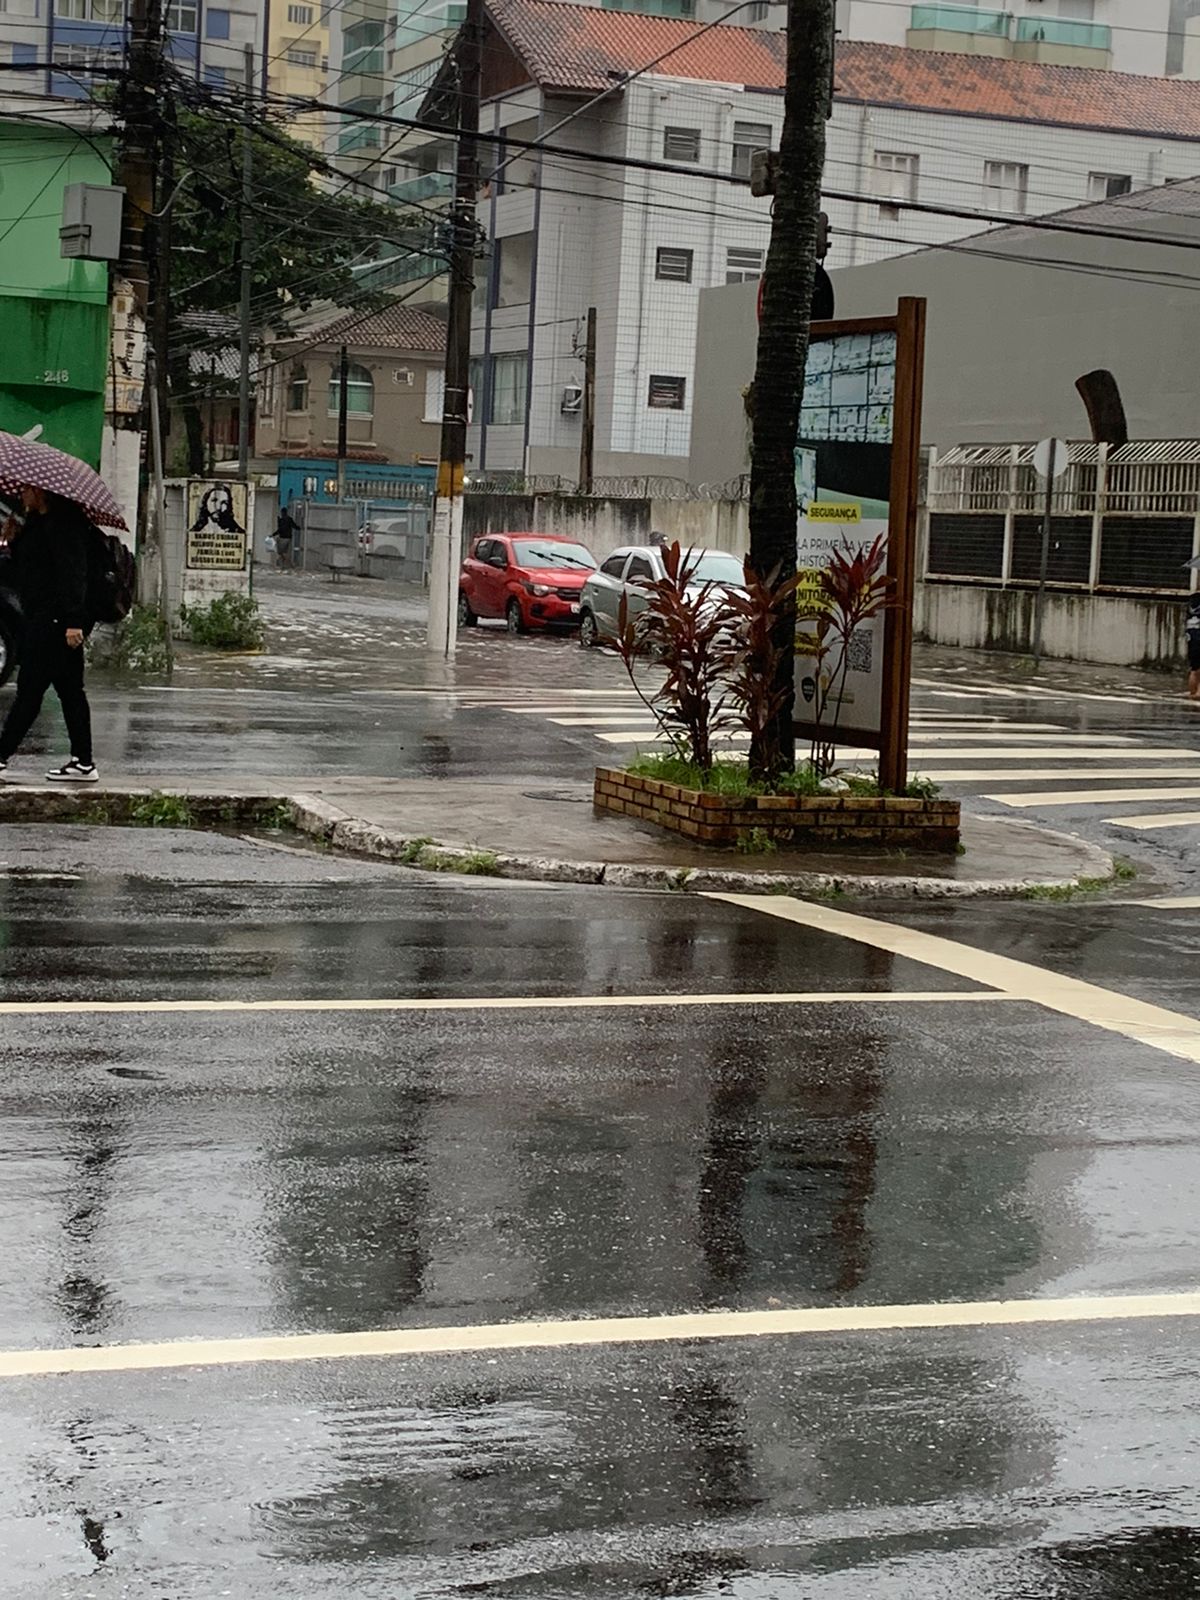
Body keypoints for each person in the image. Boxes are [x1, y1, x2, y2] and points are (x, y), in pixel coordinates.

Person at [0, 486, 98, 783]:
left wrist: (73, 622)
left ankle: (1, 755)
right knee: (70, 692)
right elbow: (28, 573)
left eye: (27, 490)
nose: (22, 495)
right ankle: (83, 762)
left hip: (55, 622)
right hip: (43, 618)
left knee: (30, 690)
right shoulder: (38, 525)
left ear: (42, 493)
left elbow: (73, 575)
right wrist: (13, 541)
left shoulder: (64, 525)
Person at [274, 504, 297, 570]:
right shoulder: (289, 519)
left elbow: (279, 530)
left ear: (282, 513)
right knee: (283, 552)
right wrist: (299, 528)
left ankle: (290, 564)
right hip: (288, 538)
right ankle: (283, 565)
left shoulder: (281, 520)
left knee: (281, 552)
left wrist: (273, 534)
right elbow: (294, 526)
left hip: (282, 538)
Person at [1187, 589, 1200, 701]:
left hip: (1191, 636)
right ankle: (1199, 693)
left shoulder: (1192, 601)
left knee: (1194, 668)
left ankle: (1193, 693)